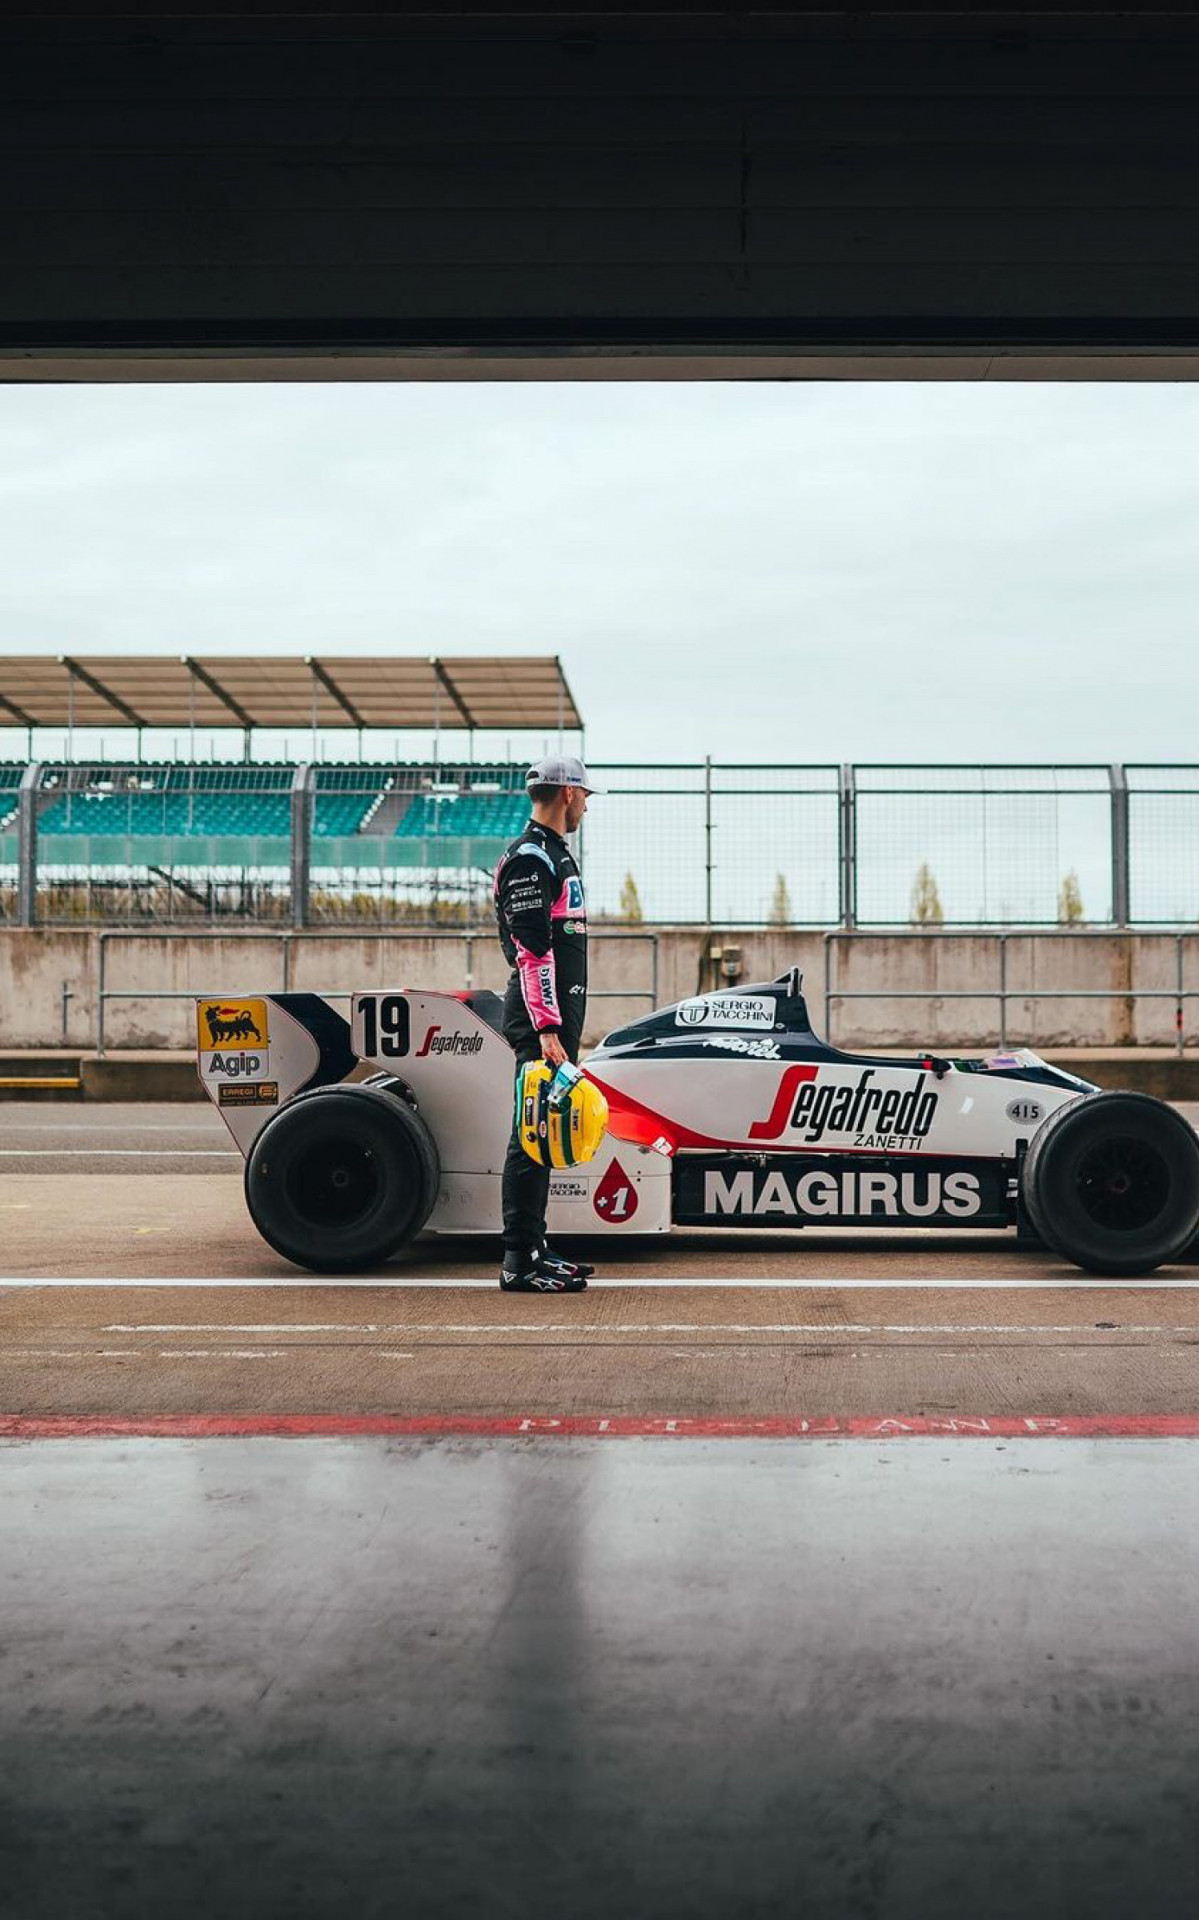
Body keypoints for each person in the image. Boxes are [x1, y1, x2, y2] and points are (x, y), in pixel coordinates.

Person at [494, 754, 602, 1292]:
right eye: (584, 795)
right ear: (567, 794)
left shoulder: (554, 855)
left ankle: (536, 1247)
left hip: (556, 1019)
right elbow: (530, 951)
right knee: (530, 1135)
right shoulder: (531, 858)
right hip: (543, 1023)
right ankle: (517, 1260)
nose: (585, 804)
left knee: (549, 1132)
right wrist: (547, 1029)